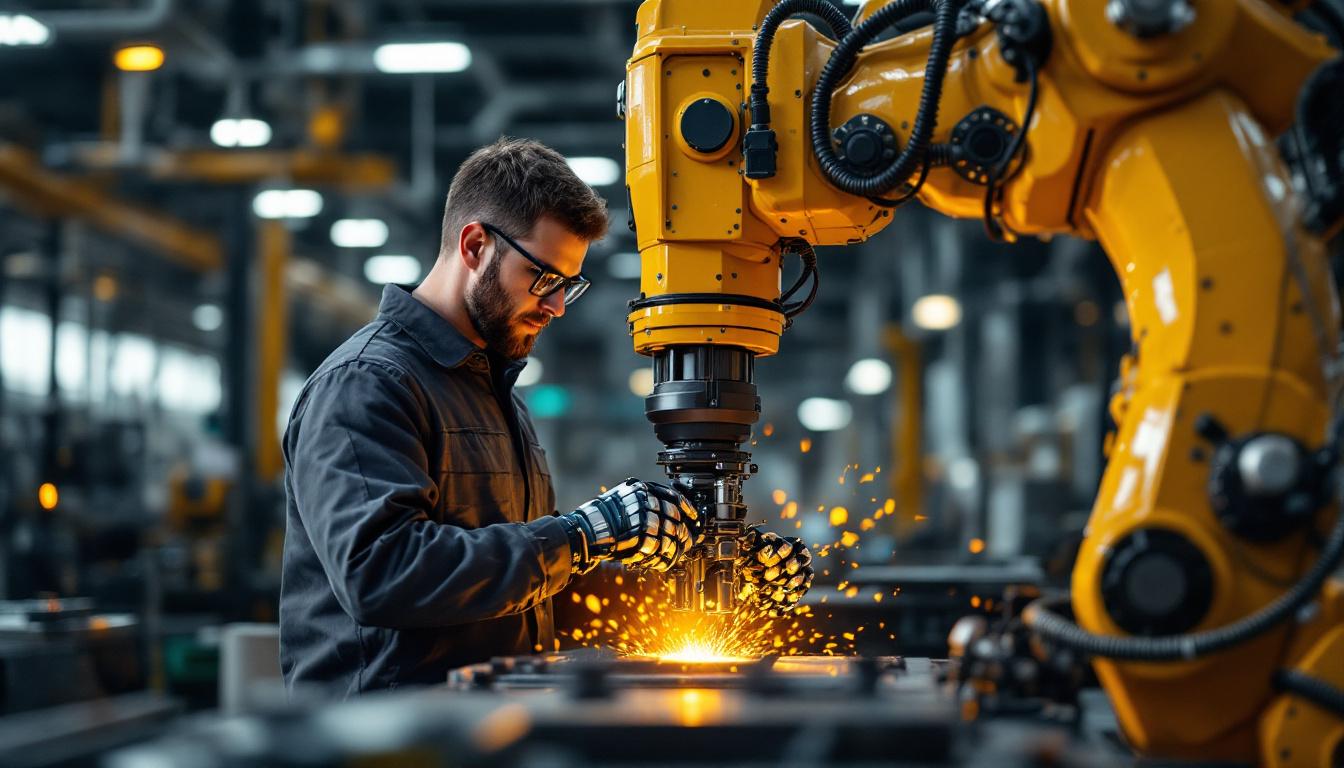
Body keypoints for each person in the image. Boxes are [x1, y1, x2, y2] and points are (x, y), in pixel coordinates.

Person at [279, 137, 807, 697]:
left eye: (568, 286)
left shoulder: (494, 392)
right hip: (382, 740)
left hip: (482, 722)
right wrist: (581, 534)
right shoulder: (367, 384)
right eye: (545, 278)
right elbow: (381, 574)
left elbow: (523, 588)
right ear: (476, 245)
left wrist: (700, 578)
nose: (556, 306)